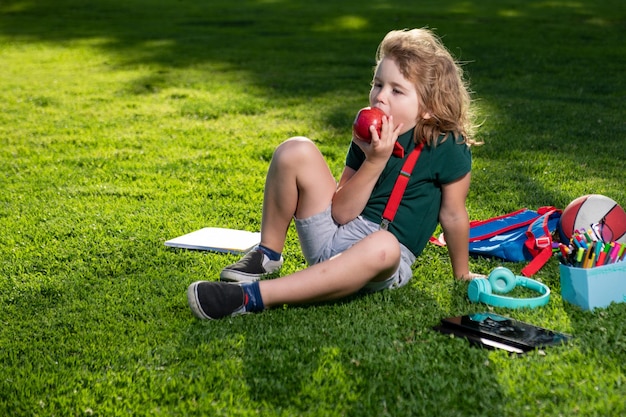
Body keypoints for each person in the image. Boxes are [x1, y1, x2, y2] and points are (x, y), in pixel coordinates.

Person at [187, 28, 483, 320]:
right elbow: (340, 212)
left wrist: (462, 274)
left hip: (381, 260)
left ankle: (251, 298)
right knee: (295, 150)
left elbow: (454, 216)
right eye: (378, 84)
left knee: (385, 245)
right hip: (335, 234)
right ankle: (267, 255)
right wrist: (374, 160)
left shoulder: (447, 146)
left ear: (428, 108)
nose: (380, 97)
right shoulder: (369, 133)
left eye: (396, 90)